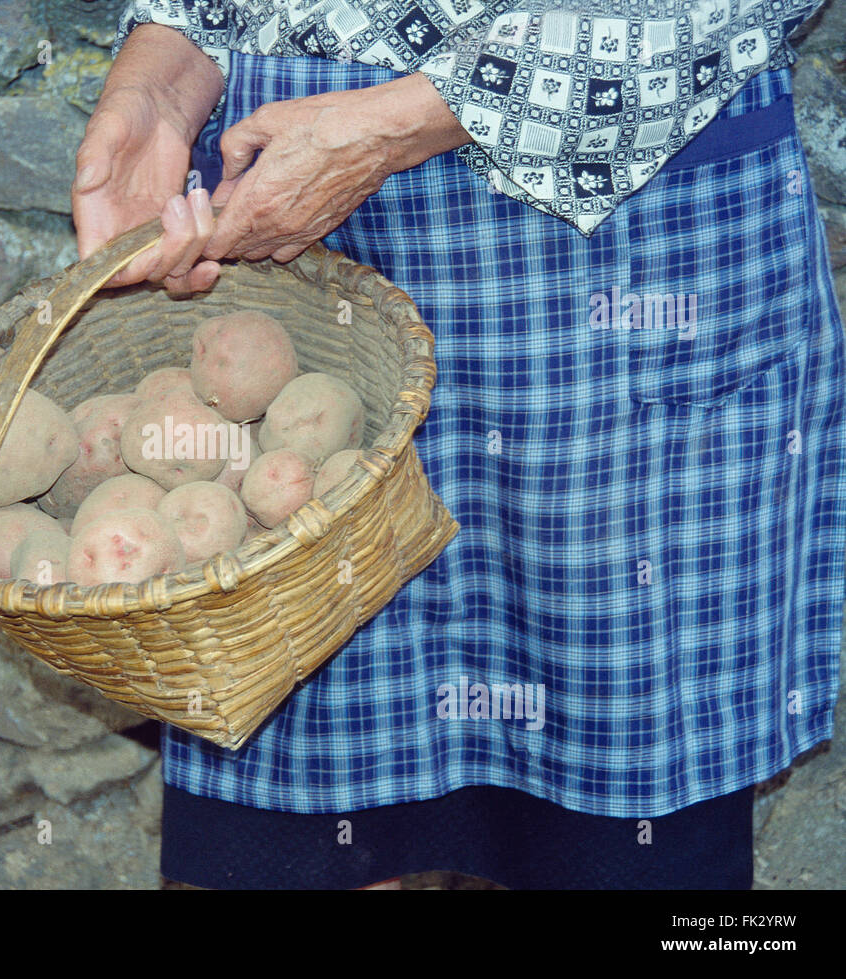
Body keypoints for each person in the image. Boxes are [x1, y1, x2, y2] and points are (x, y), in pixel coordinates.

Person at [72, 0, 845, 890]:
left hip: (622, 227)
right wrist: (162, 83)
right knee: (293, 836)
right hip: (303, 256)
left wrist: (398, 124)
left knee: (624, 835)